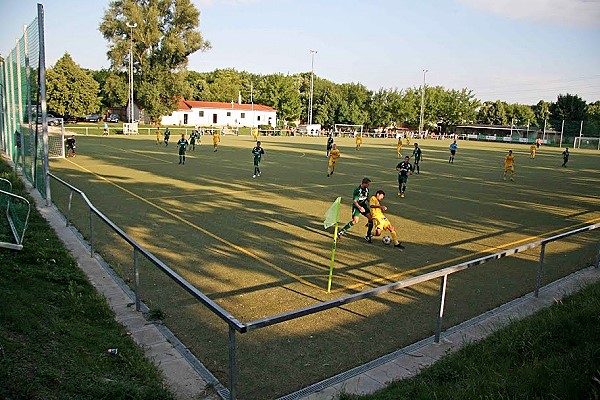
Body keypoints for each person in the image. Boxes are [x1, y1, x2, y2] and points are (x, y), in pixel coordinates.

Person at [337, 177, 374, 242]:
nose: (368, 186)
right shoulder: (357, 190)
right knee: (355, 221)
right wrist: (360, 207)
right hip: (357, 207)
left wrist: (372, 204)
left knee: (371, 218)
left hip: (363, 206)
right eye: (368, 184)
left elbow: (367, 198)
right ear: (364, 184)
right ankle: (341, 231)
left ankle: (368, 235)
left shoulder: (367, 189)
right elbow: (355, 201)